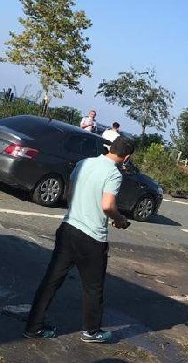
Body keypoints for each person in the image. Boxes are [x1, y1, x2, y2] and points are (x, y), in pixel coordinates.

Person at [24, 135, 135, 342]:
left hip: (68, 228)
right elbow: (107, 205)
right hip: (92, 238)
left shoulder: (85, 162)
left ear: (110, 147)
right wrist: (120, 220)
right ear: (126, 157)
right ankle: (92, 331)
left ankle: (33, 326)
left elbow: (72, 191)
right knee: (93, 287)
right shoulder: (114, 174)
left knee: (51, 280)